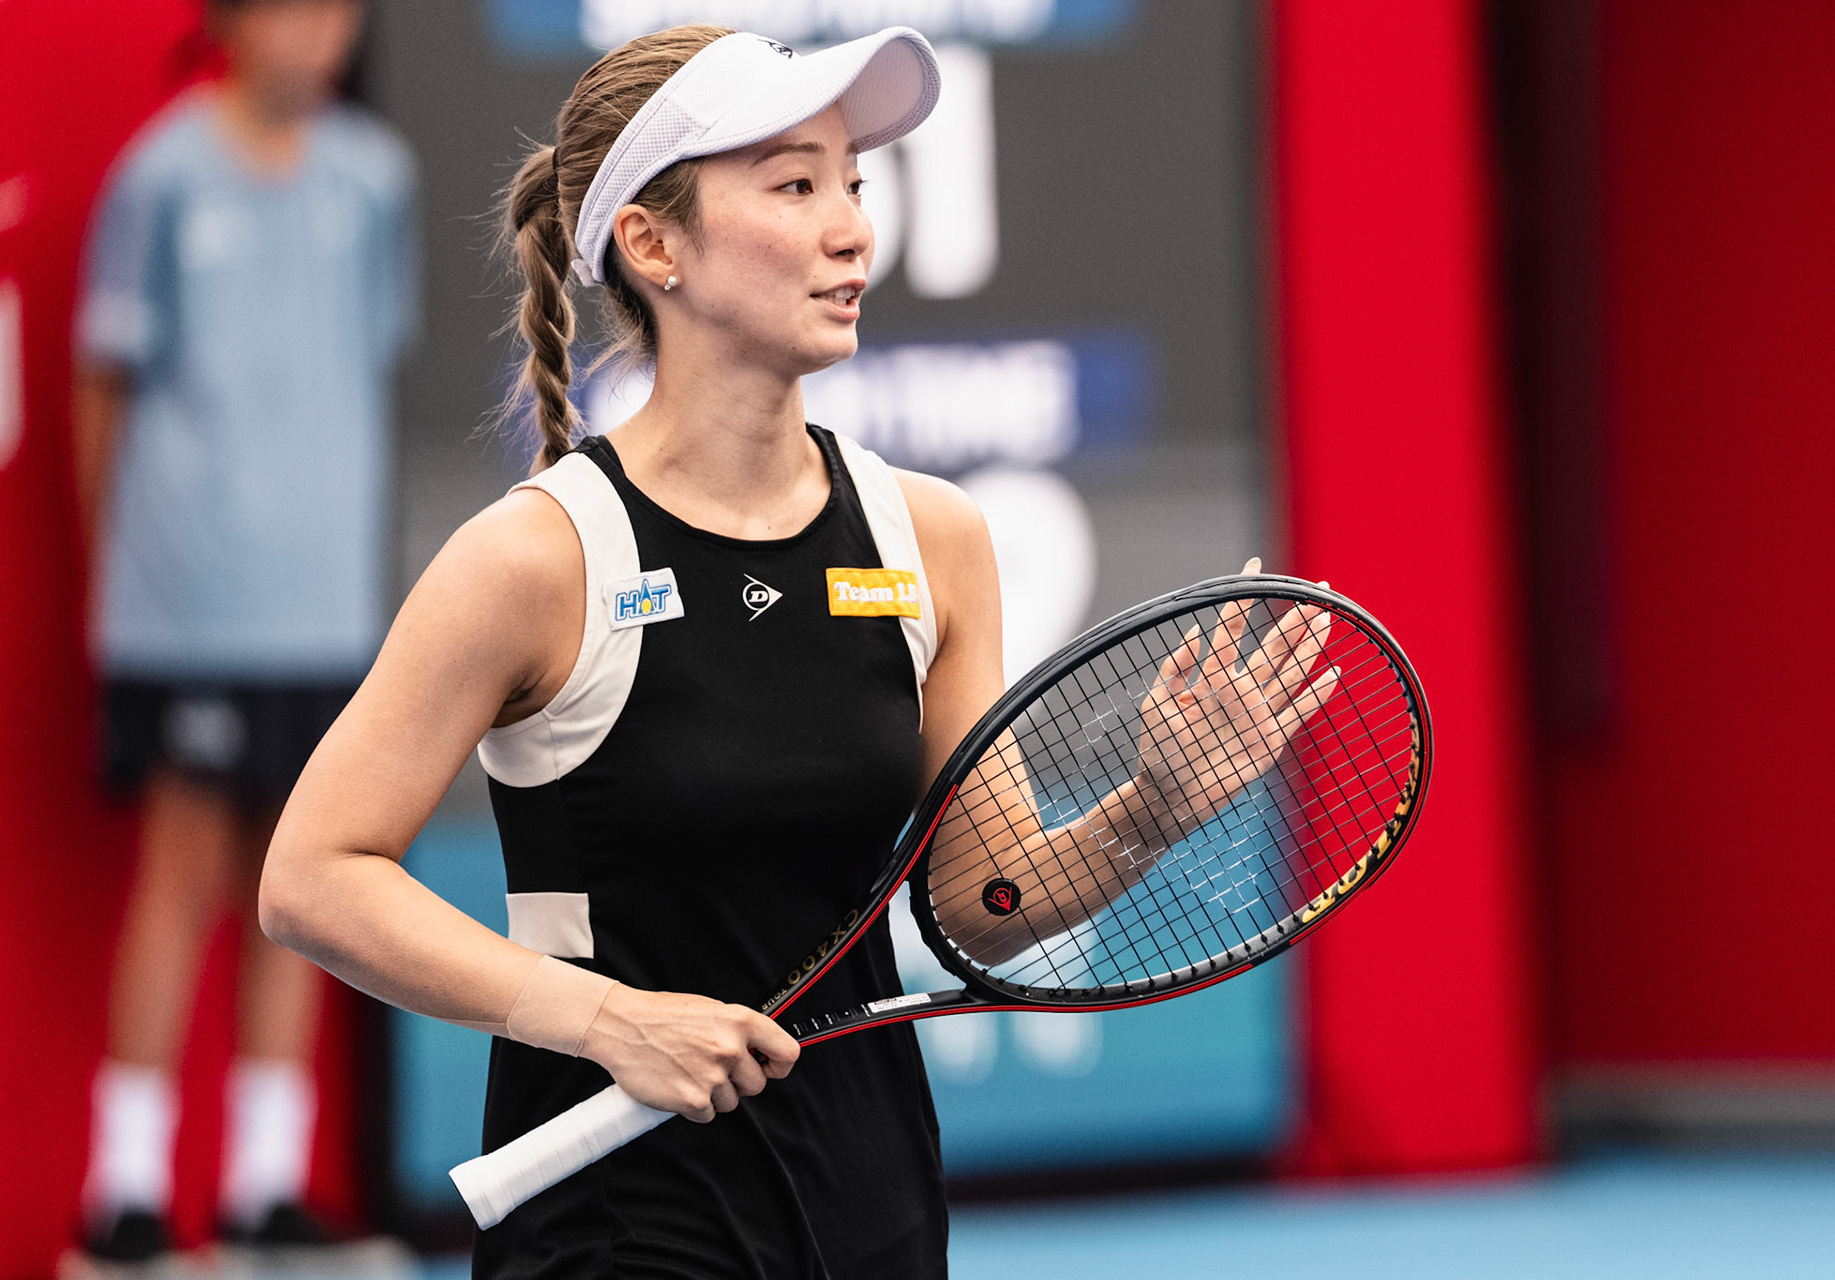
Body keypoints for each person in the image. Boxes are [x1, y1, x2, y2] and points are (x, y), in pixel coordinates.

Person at [260, 23, 1307, 1276]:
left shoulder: (931, 537)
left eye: (853, 185)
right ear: (654, 247)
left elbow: (981, 901)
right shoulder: (538, 559)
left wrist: (1149, 809)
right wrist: (607, 1018)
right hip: (616, 1220)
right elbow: (313, 875)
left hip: (869, 1197)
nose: (853, 227)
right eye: (795, 185)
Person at [71, 0, 415, 1262]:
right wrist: (129, 588)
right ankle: (126, 1190)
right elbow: (102, 383)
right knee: (184, 874)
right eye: (291, 8)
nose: (318, 33)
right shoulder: (159, 175)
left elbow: (363, 374)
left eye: (337, 11)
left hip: (329, 615)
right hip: (187, 613)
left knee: (306, 885)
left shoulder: (376, 181)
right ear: (229, 22)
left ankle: (265, 1184)